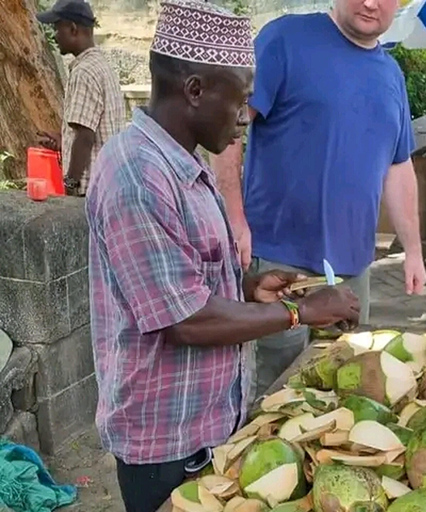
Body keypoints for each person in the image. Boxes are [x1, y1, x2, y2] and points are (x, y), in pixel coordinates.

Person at [85, 2, 360, 511]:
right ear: (195, 91)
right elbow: (184, 320)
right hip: (165, 444)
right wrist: (300, 313)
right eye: (240, 101)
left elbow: (190, 278)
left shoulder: (185, 162)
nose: (244, 119)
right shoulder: (136, 175)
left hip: (208, 428)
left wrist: (249, 287)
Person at [210, 0, 426, 398]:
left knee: (344, 393)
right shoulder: (284, 40)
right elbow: (227, 129)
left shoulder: (391, 75)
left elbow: (398, 167)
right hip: (277, 266)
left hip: (353, 271)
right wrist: (233, 218)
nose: (370, 3)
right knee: (270, 395)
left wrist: (413, 250)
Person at [36, 0, 124, 196]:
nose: (55, 36)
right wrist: (64, 140)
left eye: (57, 29)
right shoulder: (101, 66)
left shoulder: (83, 73)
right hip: (108, 184)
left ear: (73, 29)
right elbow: (94, 131)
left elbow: (85, 137)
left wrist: (70, 185)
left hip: (89, 191)